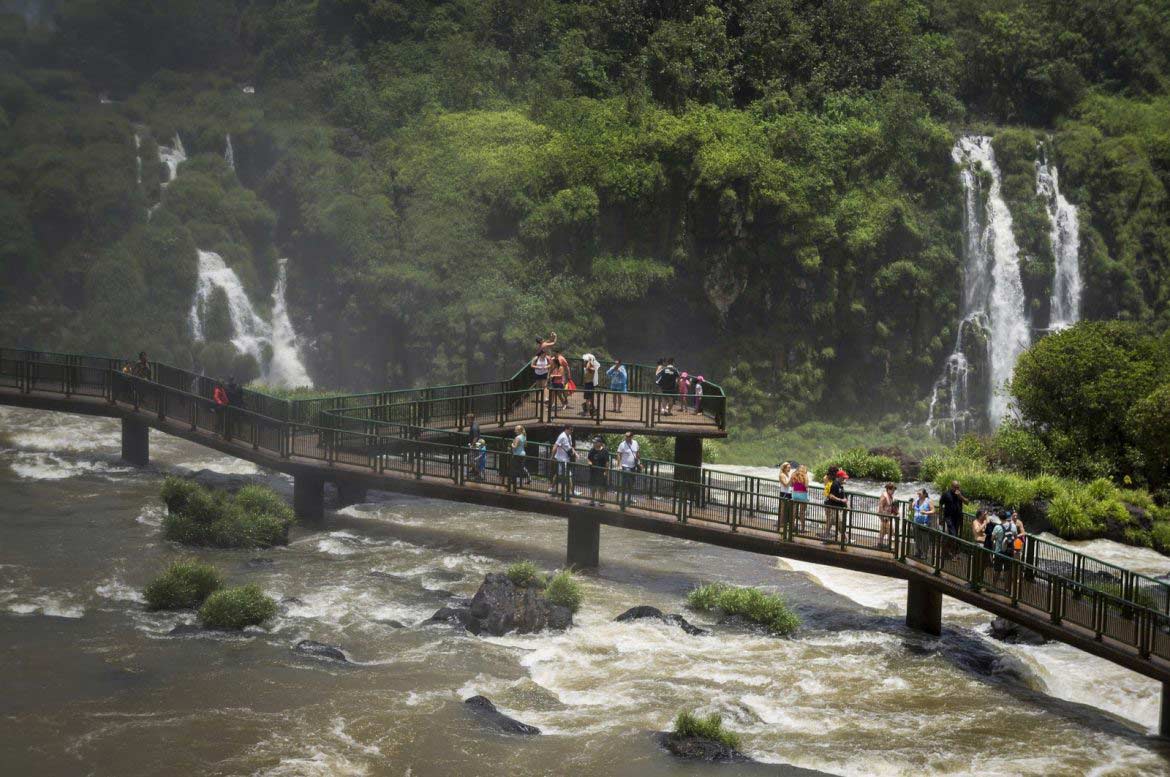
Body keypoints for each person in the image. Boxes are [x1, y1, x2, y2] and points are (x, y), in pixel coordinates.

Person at [824, 468, 849, 541]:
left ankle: (826, 537)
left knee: (832, 523)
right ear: (840, 477)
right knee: (840, 522)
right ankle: (846, 539)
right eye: (843, 477)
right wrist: (841, 500)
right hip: (834, 508)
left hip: (837, 508)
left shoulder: (840, 485)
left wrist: (846, 503)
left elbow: (842, 495)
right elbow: (831, 496)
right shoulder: (835, 484)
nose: (844, 479)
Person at [550, 424, 575, 496]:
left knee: (558, 474)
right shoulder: (562, 436)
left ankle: (552, 488)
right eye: (571, 429)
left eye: (572, 430)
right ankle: (573, 492)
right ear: (566, 429)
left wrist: (575, 453)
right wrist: (552, 457)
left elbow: (570, 447)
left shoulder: (569, 436)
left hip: (566, 458)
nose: (572, 431)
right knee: (568, 475)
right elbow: (555, 446)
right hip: (561, 459)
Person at [617, 431, 640, 505]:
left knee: (631, 483)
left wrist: (639, 462)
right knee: (625, 483)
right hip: (625, 466)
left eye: (627, 436)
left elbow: (637, 453)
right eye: (625, 436)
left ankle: (629, 499)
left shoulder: (635, 443)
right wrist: (619, 465)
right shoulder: (622, 444)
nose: (626, 437)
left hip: (633, 466)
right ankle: (623, 500)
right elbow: (618, 454)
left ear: (631, 437)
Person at [911, 488, 934, 559]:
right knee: (917, 537)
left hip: (925, 523)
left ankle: (924, 553)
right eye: (918, 494)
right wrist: (911, 504)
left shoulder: (928, 501)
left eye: (920, 494)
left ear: (924, 494)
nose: (918, 495)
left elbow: (933, 511)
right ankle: (918, 551)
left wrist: (926, 512)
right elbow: (911, 508)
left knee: (925, 539)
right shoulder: (916, 500)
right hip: (916, 522)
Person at [587, 436, 609, 506]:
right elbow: (588, 458)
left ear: (600, 443)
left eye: (595, 442)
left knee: (601, 487)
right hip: (593, 472)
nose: (594, 443)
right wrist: (589, 462)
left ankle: (601, 501)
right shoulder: (592, 450)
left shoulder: (605, 451)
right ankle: (592, 500)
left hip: (601, 472)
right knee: (593, 487)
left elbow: (607, 462)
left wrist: (606, 471)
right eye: (594, 442)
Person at [877, 482, 897, 550]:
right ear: (888, 489)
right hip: (885, 517)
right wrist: (883, 517)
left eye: (894, 490)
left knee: (883, 531)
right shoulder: (884, 495)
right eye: (893, 490)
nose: (894, 491)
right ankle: (889, 545)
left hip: (888, 517)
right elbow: (880, 506)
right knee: (891, 530)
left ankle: (880, 543)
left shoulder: (890, 495)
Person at [791, 464, 810, 532]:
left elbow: (791, 484)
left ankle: (792, 526)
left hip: (795, 494)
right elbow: (806, 485)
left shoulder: (794, 475)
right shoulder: (805, 476)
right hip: (803, 495)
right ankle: (802, 529)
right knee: (802, 512)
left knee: (794, 511)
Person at [510, 425, 529, 489]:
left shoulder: (517, 437)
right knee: (521, 468)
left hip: (517, 455)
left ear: (518, 430)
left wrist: (511, 444)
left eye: (515, 429)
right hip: (523, 454)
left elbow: (515, 447)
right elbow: (525, 445)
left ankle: (513, 482)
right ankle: (524, 480)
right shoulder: (524, 436)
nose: (514, 431)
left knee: (514, 468)